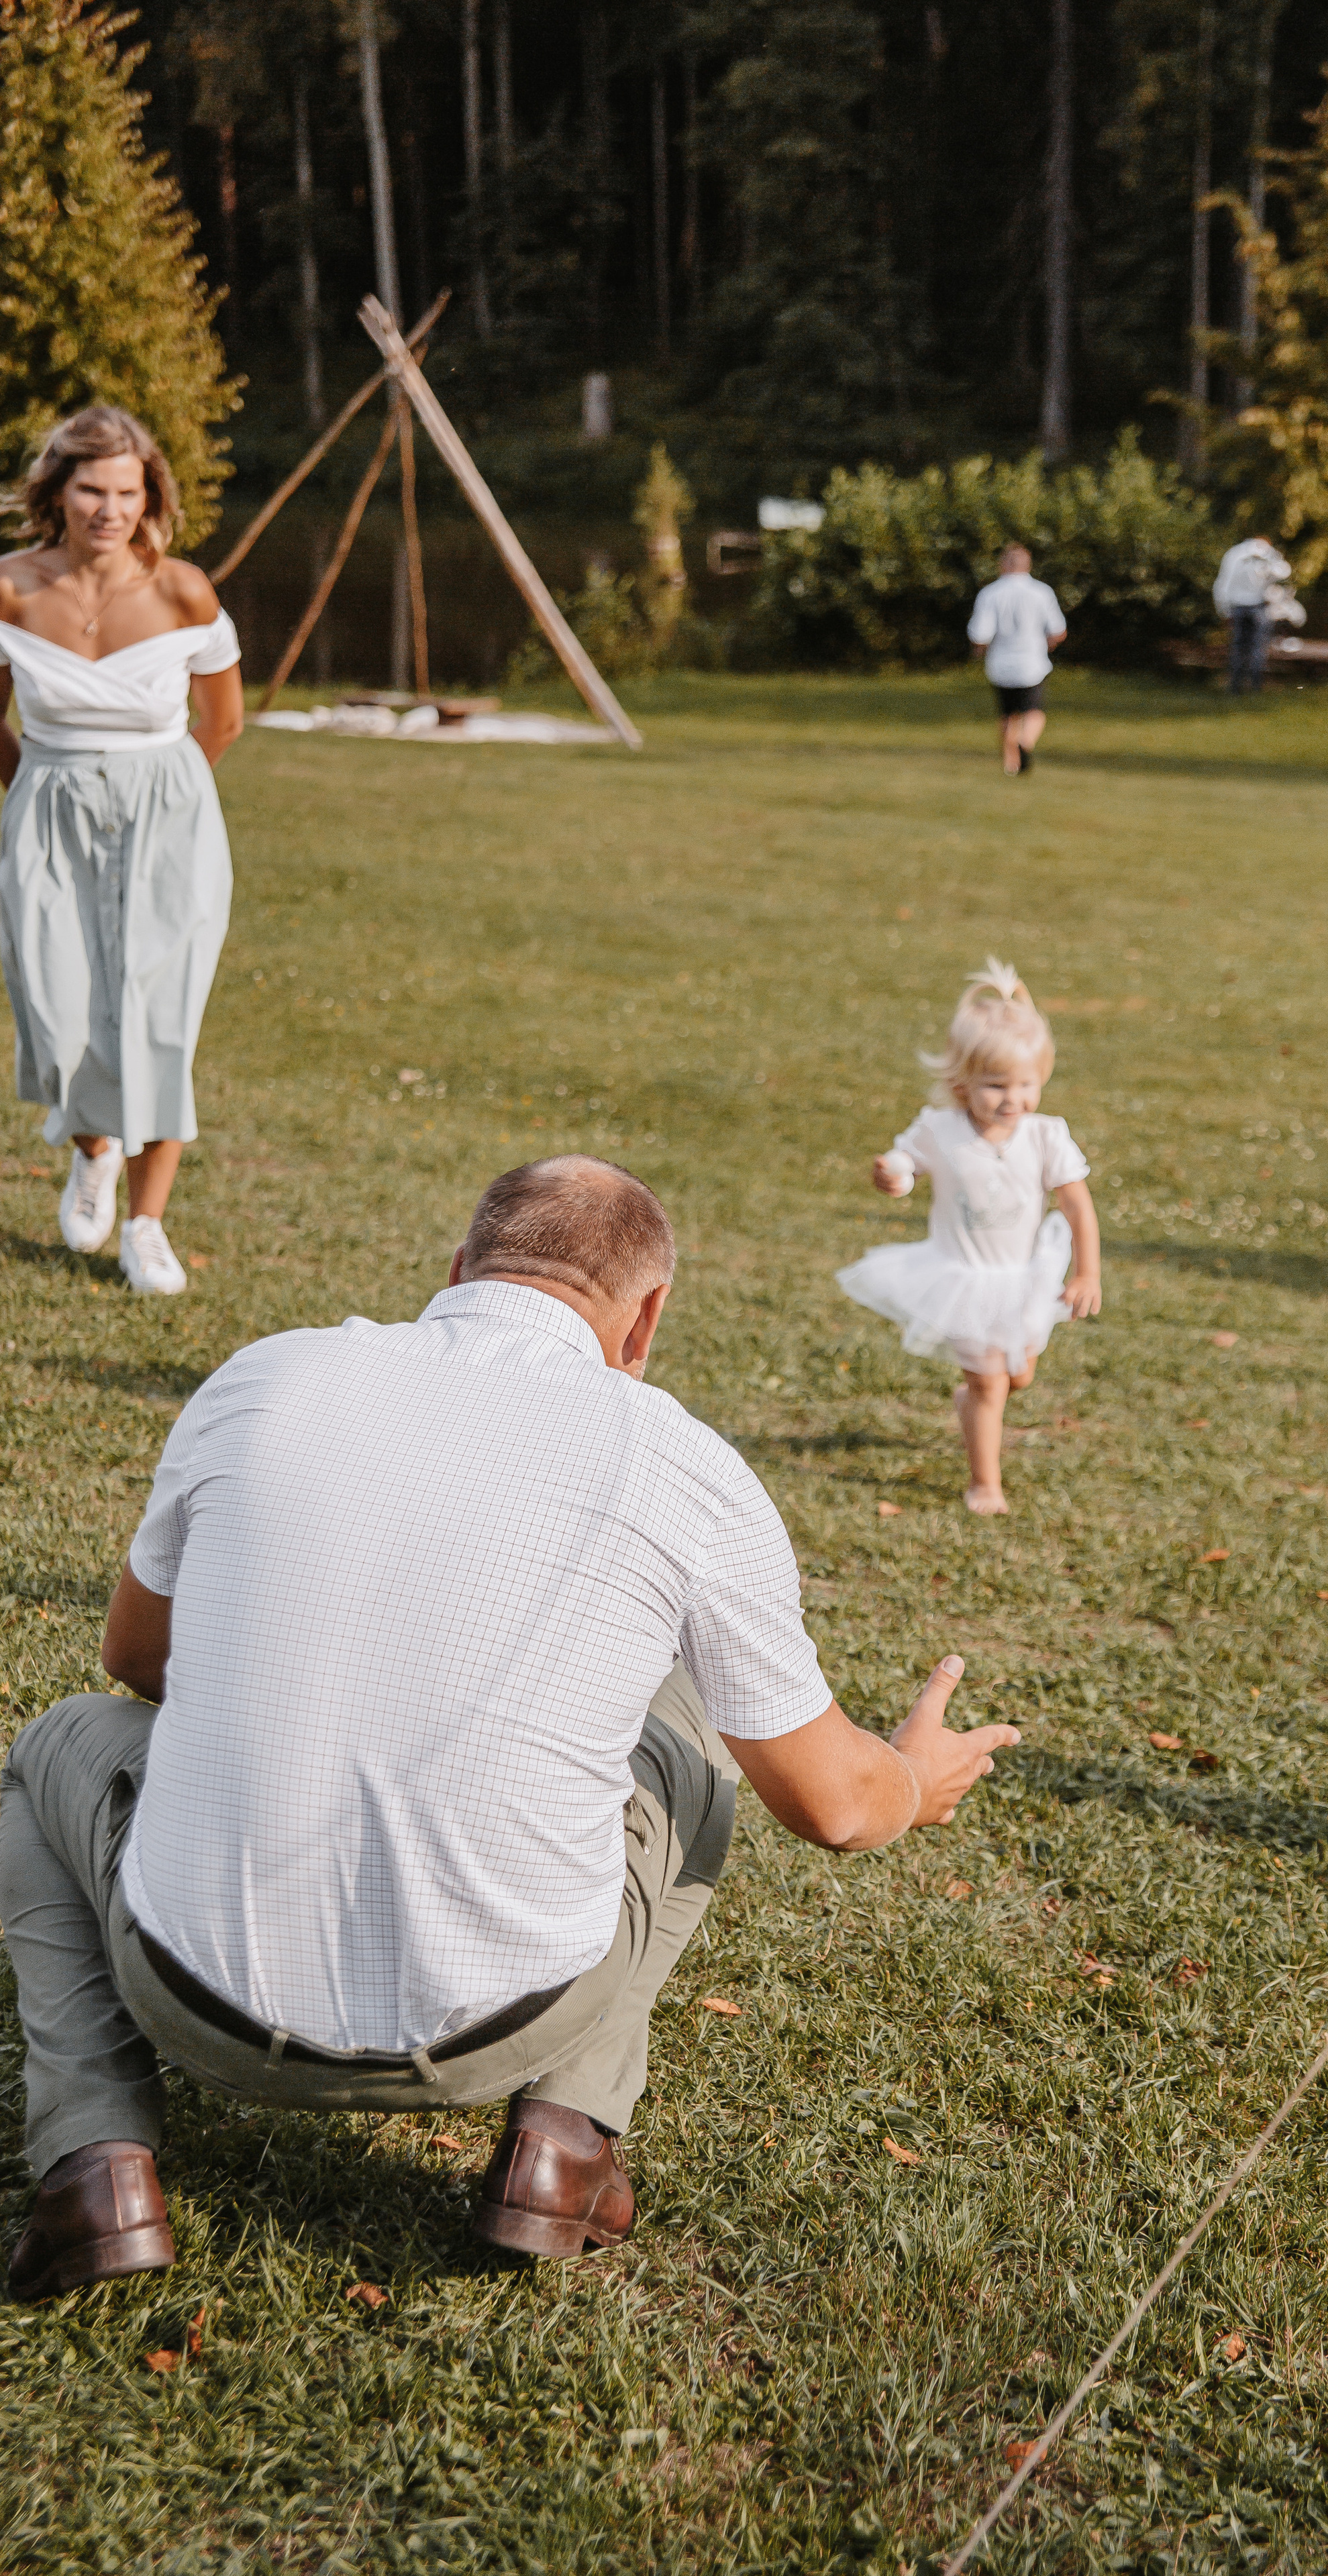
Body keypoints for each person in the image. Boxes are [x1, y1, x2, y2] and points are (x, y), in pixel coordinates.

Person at [0, 1155, 1020, 2302]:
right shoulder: (681, 1460)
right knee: (693, 1736)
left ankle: (95, 2161)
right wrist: (914, 1778)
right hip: (512, 2022)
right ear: (645, 1322)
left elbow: (134, 1662)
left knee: (51, 1752)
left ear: (457, 1270)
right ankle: (565, 2139)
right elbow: (838, 1805)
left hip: (195, 2002)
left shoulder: (267, 1377)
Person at [0, 409, 244, 1295]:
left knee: (159, 1018)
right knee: (57, 1012)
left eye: (126, 493)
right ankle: (93, 1149)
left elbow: (222, 721)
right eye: (91, 490)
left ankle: (147, 1223)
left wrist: (168, 793)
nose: (108, 509)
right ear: (58, 493)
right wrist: (35, 786)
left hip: (168, 816)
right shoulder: (11, 590)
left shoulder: (185, 592)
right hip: (48, 810)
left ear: (150, 499)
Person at [835, 961, 1101, 1515]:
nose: (1012, 1099)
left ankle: (978, 1397)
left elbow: (1076, 1202)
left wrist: (1087, 1272)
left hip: (1025, 1277)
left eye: (1026, 1084)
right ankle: (985, 1484)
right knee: (991, 1385)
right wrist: (893, 1177)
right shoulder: (942, 1130)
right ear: (963, 1084)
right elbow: (905, 1165)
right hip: (962, 1278)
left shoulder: (1046, 1136)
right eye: (996, 1086)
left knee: (1018, 1374)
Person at [967, 543, 1067, 776]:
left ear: (1002, 564)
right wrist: (1048, 645)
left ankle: (1011, 764)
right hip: (1032, 662)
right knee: (1033, 711)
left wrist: (978, 652)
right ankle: (1026, 741)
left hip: (1001, 664)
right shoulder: (1042, 592)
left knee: (1007, 714)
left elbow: (980, 635)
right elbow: (1058, 630)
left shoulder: (990, 593)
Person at [1213, 534, 1292, 696]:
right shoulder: (1268, 554)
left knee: (1238, 648)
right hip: (1257, 607)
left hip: (1237, 607)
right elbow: (1284, 572)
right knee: (1258, 647)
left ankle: (1236, 686)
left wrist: (1223, 609)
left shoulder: (1234, 554)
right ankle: (1255, 686)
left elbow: (1223, 583)